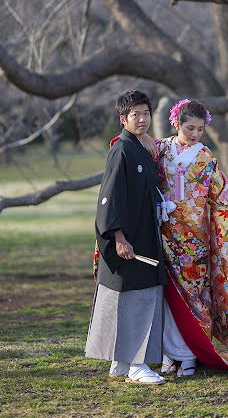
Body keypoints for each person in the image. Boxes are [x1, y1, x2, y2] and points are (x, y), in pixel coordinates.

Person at [143, 99, 228, 378]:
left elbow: (226, 196)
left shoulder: (206, 158)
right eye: (189, 127)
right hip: (165, 235)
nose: (194, 134)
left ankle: (190, 355)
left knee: (197, 298)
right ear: (176, 123)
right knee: (168, 298)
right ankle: (170, 354)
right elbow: (132, 148)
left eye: (200, 129)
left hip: (196, 239)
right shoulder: (160, 150)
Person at [85, 90, 167, 385]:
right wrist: (119, 237)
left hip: (143, 232)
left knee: (133, 297)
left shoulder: (140, 147)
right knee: (136, 298)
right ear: (123, 119)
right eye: (136, 115)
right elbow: (111, 197)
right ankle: (137, 365)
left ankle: (121, 363)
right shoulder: (121, 149)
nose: (142, 119)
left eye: (146, 114)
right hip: (129, 238)